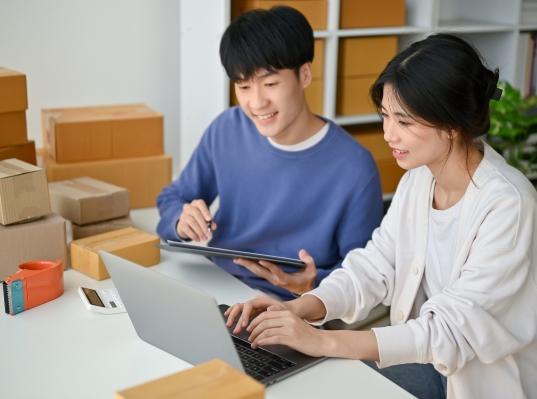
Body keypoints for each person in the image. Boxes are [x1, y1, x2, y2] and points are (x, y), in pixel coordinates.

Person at [225, 33, 537, 398]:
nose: (389, 133)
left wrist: (324, 342)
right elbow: (373, 267)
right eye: (386, 116)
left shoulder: (508, 205)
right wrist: (298, 309)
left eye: (404, 122)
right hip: (433, 364)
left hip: (492, 386)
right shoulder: (418, 181)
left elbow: (450, 332)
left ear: (452, 125)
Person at [156, 6, 382, 300]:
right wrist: (181, 221)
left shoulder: (355, 168)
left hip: (288, 307)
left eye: (271, 83)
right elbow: (172, 199)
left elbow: (362, 277)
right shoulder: (227, 128)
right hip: (212, 285)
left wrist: (314, 286)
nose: (256, 102)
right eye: (244, 86)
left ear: (304, 74)